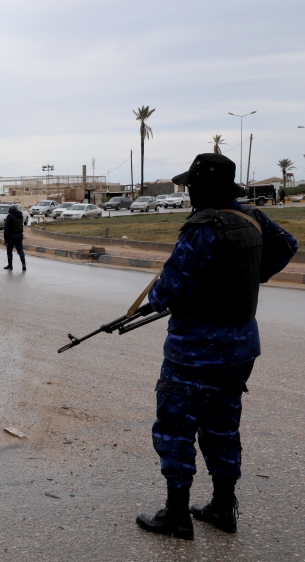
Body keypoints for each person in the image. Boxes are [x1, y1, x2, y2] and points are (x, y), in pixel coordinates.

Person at [136, 153, 298, 540]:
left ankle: (176, 515)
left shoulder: (203, 228)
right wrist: (247, 277)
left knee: (175, 428)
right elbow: (287, 245)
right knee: (223, 428)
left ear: (200, 189)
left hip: (194, 352)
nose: (188, 192)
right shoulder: (251, 218)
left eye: (191, 186)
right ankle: (223, 508)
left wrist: (165, 297)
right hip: (241, 347)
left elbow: (168, 290)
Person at [3, 205, 26, 271]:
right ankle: (23, 264)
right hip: (19, 235)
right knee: (20, 250)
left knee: (9, 250)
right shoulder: (20, 216)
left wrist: (5, 237)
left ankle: (10, 265)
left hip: (11, 236)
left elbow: (7, 228)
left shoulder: (10, 216)